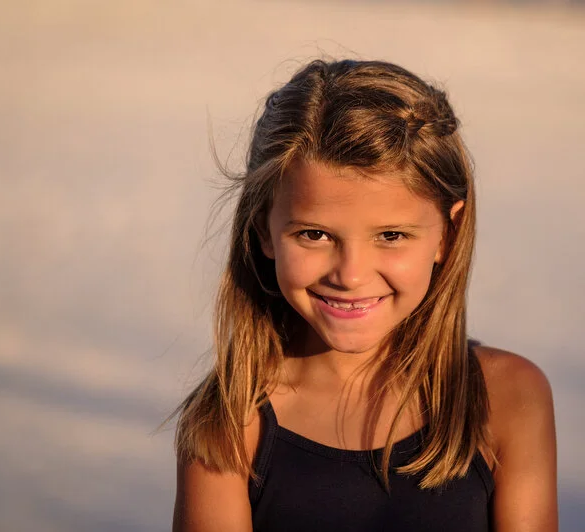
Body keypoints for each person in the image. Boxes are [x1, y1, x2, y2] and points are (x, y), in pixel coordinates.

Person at [171, 59, 557, 532]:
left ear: (447, 236)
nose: (351, 276)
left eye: (391, 236)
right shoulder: (228, 423)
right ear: (264, 231)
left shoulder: (509, 397)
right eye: (314, 234)